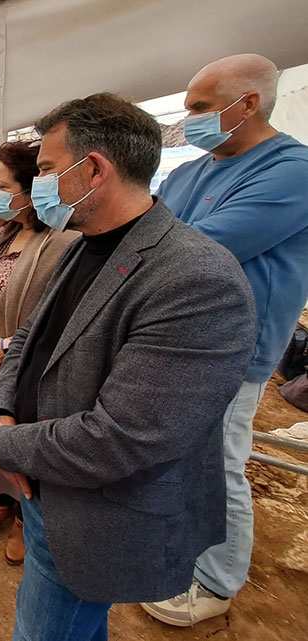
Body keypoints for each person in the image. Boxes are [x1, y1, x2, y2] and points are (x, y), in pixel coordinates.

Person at [0, 93, 257, 641]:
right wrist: (7, 409)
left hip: (94, 513)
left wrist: (2, 443)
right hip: (46, 487)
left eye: (47, 170)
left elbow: (123, 437)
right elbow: (31, 340)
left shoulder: (195, 279)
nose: (41, 185)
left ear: (95, 170)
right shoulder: (87, 244)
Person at [142, 54, 308, 627]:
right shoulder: (191, 172)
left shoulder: (293, 170)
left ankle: (214, 581)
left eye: (200, 108)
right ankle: (177, 548)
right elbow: (145, 232)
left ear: (248, 103)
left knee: (218, 461)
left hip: (231, 349)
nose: (190, 121)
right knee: (176, 453)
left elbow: (194, 247)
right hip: (169, 336)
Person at [0, 140, 78, 565]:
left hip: (19, 366)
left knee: (17, 438)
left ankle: (23, 516)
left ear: (31, 191)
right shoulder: (7, 230)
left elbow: (63, 316)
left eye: (4, 186)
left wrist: (7, 346)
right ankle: (0, 504)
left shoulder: (61, 242)